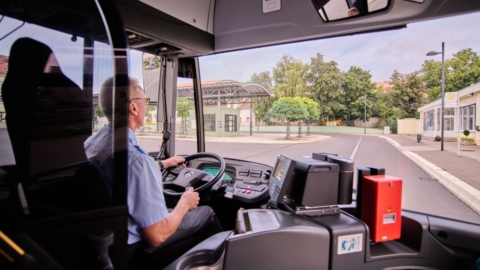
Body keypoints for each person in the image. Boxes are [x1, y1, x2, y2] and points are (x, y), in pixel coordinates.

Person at [84, 77, 222, 265]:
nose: (147, 106)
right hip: (135, 247)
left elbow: (123, 174)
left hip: (110, 240)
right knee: (207, 213)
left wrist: (164, 164)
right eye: (145, 101)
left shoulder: (94, 143)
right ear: (133, 107)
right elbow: (156, 235)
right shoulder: (138, 161)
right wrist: (184, 203)